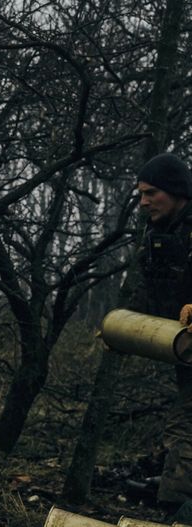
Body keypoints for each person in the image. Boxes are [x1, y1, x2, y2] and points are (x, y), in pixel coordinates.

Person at [125, 152, 192, 521]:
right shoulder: (158, 237)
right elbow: (146, 294)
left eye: (151, 193)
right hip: (186, 354)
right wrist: (123, 328)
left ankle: (176, 514)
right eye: (140, 195)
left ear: (176, 191)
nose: (143, 202)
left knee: (184, 430)